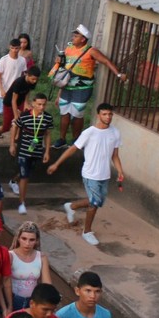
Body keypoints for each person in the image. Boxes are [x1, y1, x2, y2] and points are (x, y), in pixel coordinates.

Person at [48, 103, 124, 246]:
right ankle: (87, 232)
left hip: (105, 174)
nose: (108, 117)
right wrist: (56, 163)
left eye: (110, 114)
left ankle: (71, 207)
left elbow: (115, 155)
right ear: (98, 115)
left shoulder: (115, 132)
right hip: (90, 174)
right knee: (94, 203)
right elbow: (72, 149)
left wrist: (120, 170)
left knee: (97, 201)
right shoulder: (89, 132)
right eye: (104, 114)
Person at [50, 24, 127, 148]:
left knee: (77, 114)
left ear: (83, 39)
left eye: (76, 36)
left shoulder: (91, 51)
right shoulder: (69, 48)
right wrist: (58, 61)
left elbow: (106, 61)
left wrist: (118, 74)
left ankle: (76, 140)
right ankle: (62, 138)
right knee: (64, 113)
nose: (73, 38)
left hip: (82, 88)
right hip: (66, 86)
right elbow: (63, 65)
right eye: (73, 35)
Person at [8, 93, 53, 215]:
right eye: (39, 104)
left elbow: (48, 134)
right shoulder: (24, 116)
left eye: (44, 104)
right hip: (23, 149)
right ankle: (22, 202)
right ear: (33, 103)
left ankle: (13, 180)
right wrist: (12, 144)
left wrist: (47, 151)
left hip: (37, 150)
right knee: (25, 176)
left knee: (28, 171)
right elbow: (15, 127)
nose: (41, 107)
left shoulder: (47, 118)